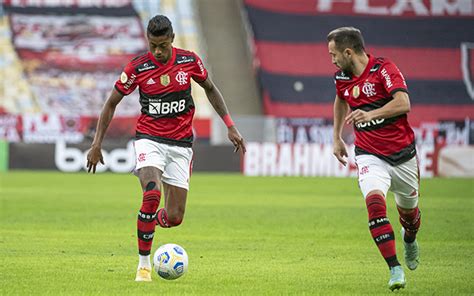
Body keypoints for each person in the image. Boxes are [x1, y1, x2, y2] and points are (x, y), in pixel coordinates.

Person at [86, 15, 246, 282]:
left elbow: (210, 89)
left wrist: (230, 125)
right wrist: (96, 143)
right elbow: (111, 103)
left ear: (172, 38)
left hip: (181, 145)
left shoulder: (189, 61)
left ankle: (146, 220)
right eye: (152, 46)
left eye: (162, 45)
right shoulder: (138, 67)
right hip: (149, 139)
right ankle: (143, 265)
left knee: (174, 217)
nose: (158, 51)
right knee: (151, 194)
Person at [328, 27, 421, 291]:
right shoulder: (342, 78)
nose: (332, 60)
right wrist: (336, 137)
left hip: (403, 156)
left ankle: (410, 240)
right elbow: (340, 100)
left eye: (334, 54)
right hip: (370, 155)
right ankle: (394, 268)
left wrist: (371, 114)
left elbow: (403, 103)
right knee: (375, 204)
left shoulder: (384, 69)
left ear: (348, 52)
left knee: (410, 216)